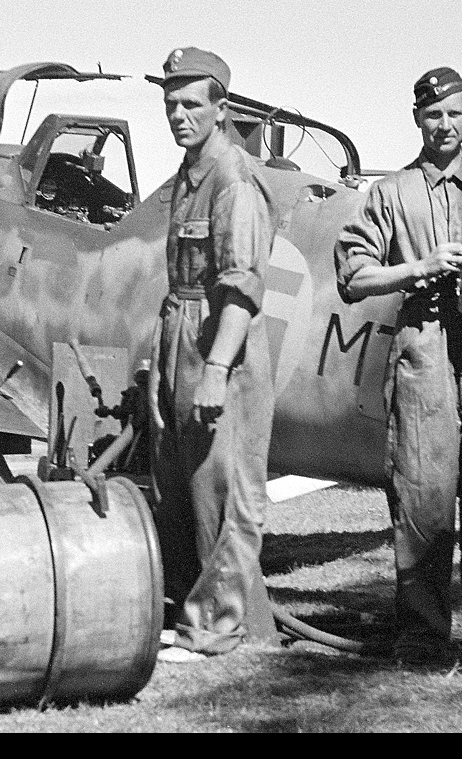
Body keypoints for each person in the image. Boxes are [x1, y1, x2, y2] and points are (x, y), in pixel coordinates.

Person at [333, 66, 462, 664]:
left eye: (454, 113)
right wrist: (421, 266)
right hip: (424, 356)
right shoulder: (390, 193)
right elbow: (353, 277)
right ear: (417, 120)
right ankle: (423, 637)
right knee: (422, 499)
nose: (444, 125)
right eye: (433, 115)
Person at [148, 46, 278, 662]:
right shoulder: (188, 175)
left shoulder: (233, 181)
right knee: (185, 488)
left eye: (191, 104)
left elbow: (243, 289)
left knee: (224, 491)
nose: (178, 115)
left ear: (221, 108)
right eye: (170, 103)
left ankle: (216, 631)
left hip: (220, 340)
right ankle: (190, 617)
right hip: (182, 332)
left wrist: (217, 371)